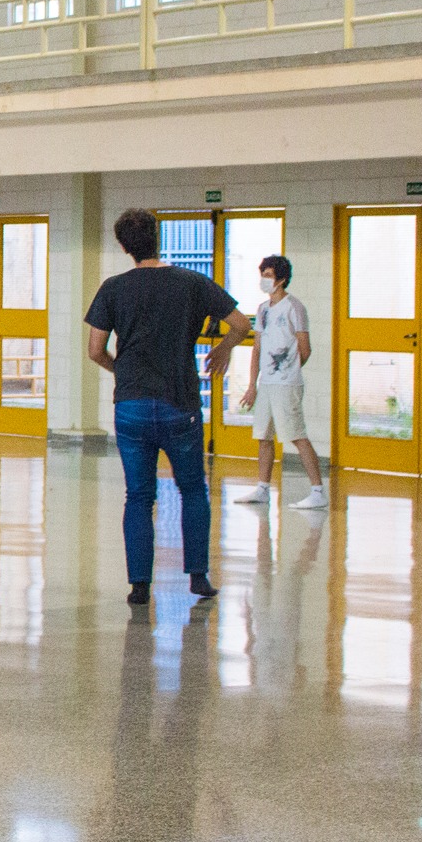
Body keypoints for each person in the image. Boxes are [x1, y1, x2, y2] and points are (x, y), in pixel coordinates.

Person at [85, 208, 250, 606]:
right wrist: (224, 350)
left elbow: (95, 350)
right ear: (158, 238)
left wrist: (121, 370)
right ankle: (197, 577)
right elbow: (242, 324)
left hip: (132, 406)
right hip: (180, 403)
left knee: (139, 496)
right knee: (192, 489)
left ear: (124, 246)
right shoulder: (191, 282)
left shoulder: (113, 288)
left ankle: (139, 585)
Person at [235, 254, 328, 510]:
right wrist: (253, 384)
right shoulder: (263, 310)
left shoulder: (294, 308)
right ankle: (263, 488)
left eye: (268, 276)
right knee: (264, 436)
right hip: (266, 385)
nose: (264, 280)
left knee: (296, 435)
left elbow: (305, 349)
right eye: (262, 275)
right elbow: (257, 348)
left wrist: (287, 371)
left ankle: (318, 491)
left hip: (287, 384)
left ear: (282, 279)